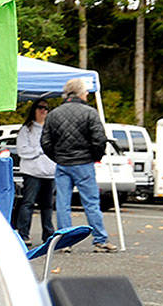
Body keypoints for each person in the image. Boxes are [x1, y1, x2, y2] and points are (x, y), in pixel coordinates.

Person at [41, 77, 115, 252]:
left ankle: (64, 241)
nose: (87, 94)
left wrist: (57, 157)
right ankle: (100, 240)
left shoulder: (54, 114)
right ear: (80, 93)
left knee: (62, 203)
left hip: (63, 164)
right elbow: (99, 139)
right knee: (91, 203)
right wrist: (95, 156)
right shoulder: (90, 113)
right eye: (86, 91)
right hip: (84, 163)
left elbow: (45, 142)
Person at [14, 100, 56, 245]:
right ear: (34, 110)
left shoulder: (51, 129)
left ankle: (48, 234)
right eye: (40, 108)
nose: (43, 111)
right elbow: (22, 151)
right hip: (32, 172)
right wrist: (39, 150)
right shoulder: (26, 129)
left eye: (46, 108)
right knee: (28, 203)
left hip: (49, 173)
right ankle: (24, 234)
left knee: (48, 205)